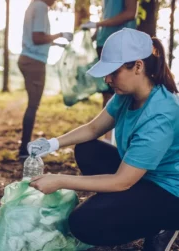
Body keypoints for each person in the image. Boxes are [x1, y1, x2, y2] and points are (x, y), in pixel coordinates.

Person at [28, 28, 179, 251]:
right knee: (86, 149)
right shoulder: (125, 95)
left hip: (169, 193)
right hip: (142, 176)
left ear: (138, 66)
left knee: (83, 223)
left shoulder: (161, 114)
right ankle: (122, 208)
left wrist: (59, 180)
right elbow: (93, 128)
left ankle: (162, 225)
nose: (107, 79)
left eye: (113, 72)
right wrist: (52, 144)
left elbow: (122, 181)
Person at [18, 0, 73, 157]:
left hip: (28, 58)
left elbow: (36, 38)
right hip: (34, 61)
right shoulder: (41, 7)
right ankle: (23, 149)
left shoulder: (33, 6)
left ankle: (24, 145)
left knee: (32, 105)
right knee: (33, 106)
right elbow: (37, 38)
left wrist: (56, 44)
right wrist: (61, 34)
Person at [81, 0, 138, 142]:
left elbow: (130, 13)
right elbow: (110, 15)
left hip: (121, 44)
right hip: (104, 42)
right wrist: (93, 33)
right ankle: (107, 140)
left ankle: (121, 141)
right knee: (108, 93)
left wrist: (98, 24)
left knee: (123, 93)